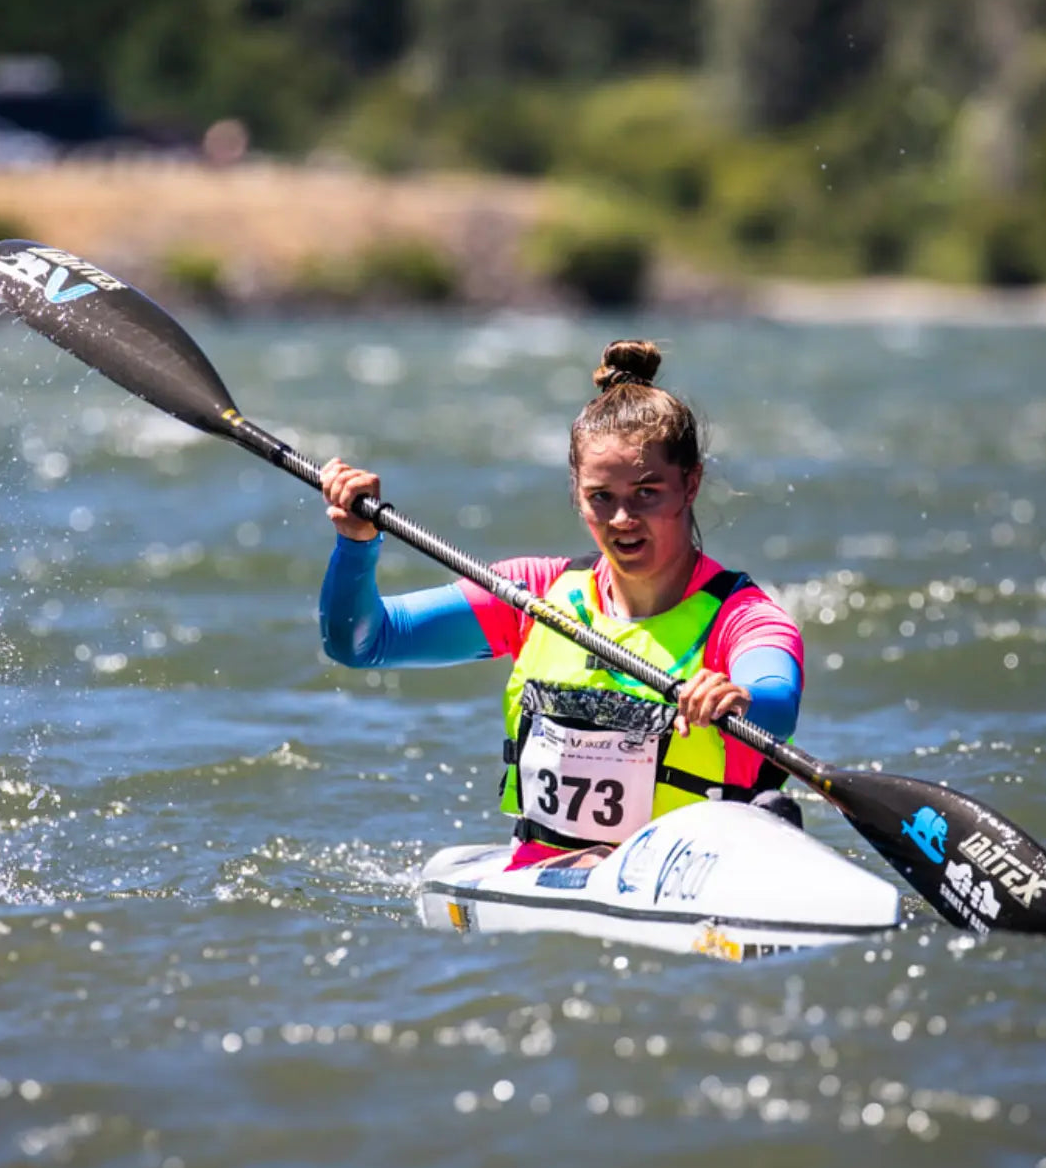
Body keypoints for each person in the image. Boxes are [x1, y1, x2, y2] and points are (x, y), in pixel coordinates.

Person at [319, 339, 804, 869]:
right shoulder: (529, 594)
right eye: (602, 496)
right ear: (577, 492)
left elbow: (776, 703)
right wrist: (357, 543)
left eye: (647, 493)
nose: (622, 518)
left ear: (690, 485)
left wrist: (737, 698)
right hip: (544, 877)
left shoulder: (742, 616)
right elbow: (362, 642)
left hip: (692, 880)